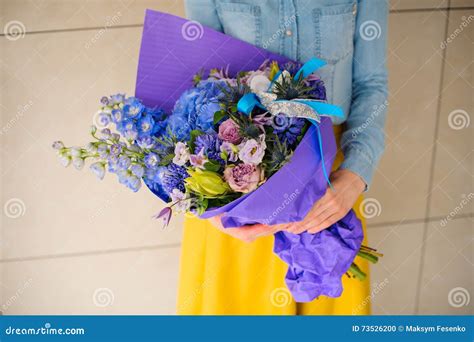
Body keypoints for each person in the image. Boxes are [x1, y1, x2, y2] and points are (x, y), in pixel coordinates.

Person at [178, 0, 388, 315]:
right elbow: (194, 84)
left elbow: (371, 84)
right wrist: (214, 211)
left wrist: (354, 176)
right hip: (234, 187)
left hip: (329, 190)